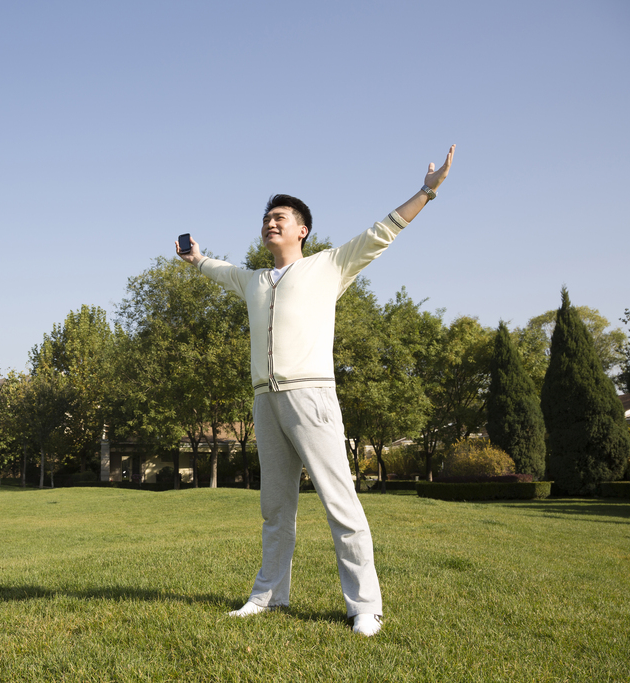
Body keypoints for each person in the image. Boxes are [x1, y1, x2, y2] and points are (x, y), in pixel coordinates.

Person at [174, 145, 455, 637]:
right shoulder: (253, 279)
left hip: (313, 397)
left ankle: (364, 606)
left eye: (279, 217)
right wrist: (195, 258)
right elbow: (214, 268)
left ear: (302, 228)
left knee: (338, 500)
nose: (270, 223)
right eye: (266, 218)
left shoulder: (330, 265)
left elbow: (383, 232)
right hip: (265, 400)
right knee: (275, 507)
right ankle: (268, 596)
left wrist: (427, 191)